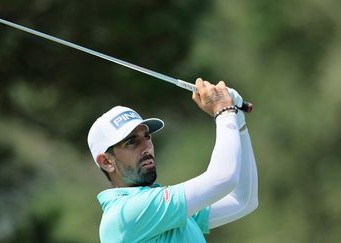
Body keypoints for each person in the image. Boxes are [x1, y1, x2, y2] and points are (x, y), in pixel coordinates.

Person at [87, 78, 258, 242]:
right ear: (106, 162)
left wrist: (238, 121)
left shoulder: (159, 209)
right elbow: (223, 178)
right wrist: (224, 112)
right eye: (131, 142)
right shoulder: (124, 214)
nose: (146, 147)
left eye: (146, 136)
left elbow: (242, 201)